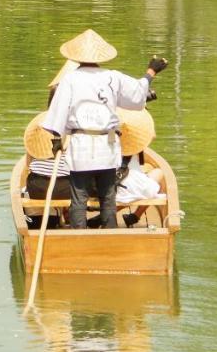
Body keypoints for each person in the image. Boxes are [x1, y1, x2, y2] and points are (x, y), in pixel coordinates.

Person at [42, 29, 168, 229]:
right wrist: (151, 71)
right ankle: (110, 236)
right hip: (106, 146)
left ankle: (78, 238)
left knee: (79, 198)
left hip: (81, 145)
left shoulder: (70, 80)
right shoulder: (112, 77)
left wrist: (57, 139)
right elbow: (137, 95)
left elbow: (57, 111)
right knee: (108, 197)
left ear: (77, 58)